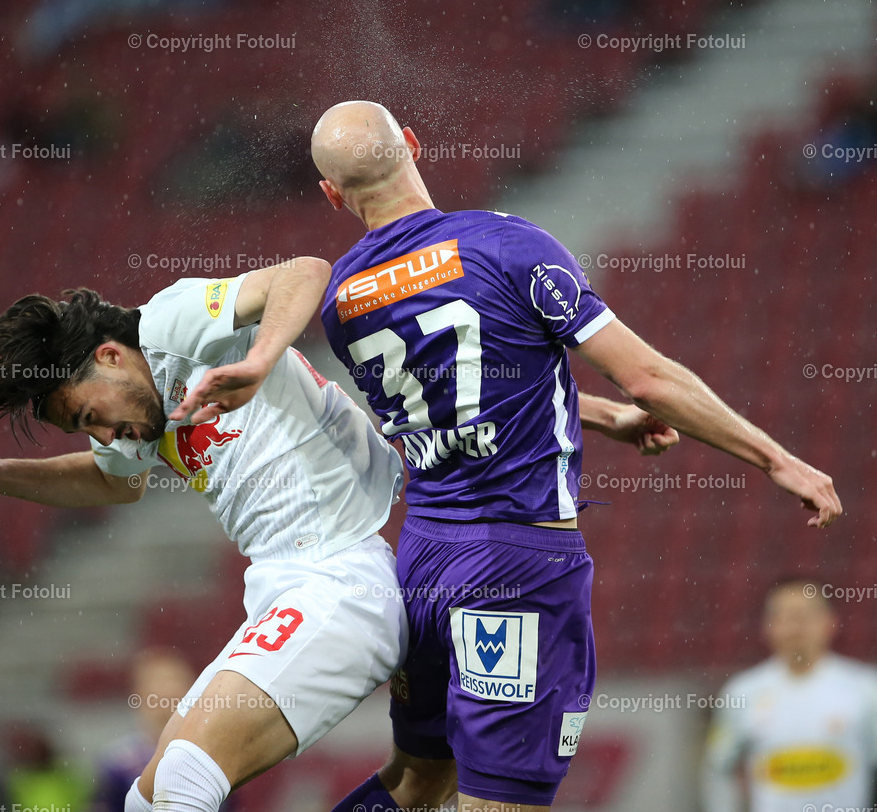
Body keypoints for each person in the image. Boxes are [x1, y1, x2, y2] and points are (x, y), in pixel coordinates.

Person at [293, 100, 839, 812]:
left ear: (332, 194)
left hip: (422, 561)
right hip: (513, 566)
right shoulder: (505, 245)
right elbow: (648, 378)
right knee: (501, 798)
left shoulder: (342, 300)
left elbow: (460, 396)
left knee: (418, 780)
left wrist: (603, 417)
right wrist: (775, 459)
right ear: (415, 146)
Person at [0, 260, 408, 812]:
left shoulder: (169, 324)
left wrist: (260, 360)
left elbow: (306, 273)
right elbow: (114, 482)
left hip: (341, 574)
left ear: (110, 357)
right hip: (280, 585)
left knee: (184, 781)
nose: (104, 437)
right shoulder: (134, 421)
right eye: (84, 430)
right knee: (146, 801)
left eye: (90, 414)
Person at [702, 578, 877, 812]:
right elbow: (718, 768)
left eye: (805, 615)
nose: (796, 627)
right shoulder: (742, 692)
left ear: (830, 622)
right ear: (768, 625)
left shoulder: (865, 689)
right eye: (785, 616)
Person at [90, 649, 197, 812]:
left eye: (174, 696)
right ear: (139, 696)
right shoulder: (119, 762)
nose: (167, 694)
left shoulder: (210, 755)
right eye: (158, 695)